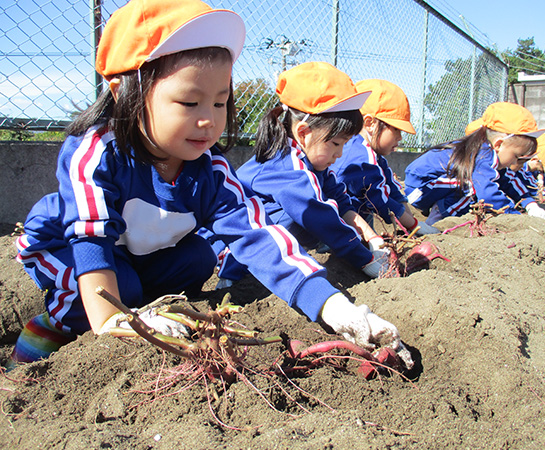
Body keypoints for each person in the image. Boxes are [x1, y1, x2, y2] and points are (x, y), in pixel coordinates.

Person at [11, 0, 406, 366]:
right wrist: (113, 322)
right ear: (123, 92)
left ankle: (137, 303)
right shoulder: (99, 152)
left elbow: (259, 235)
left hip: (135, 255)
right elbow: (91, 240)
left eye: (219, 103)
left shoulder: (210, 170)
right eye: (189, 103)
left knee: (199, 258)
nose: (209, 120)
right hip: (65, 248)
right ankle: (41, 336)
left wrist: (334, 306)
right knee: (121, 289)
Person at [211, 62, 391, 288]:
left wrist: (370, 235)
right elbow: (319, 215)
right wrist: (366, 260)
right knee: (303, 217)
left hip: (256, 233)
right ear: (303, 133)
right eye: (336, 143)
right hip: (225, 243)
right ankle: (233, 274)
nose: (339, 154)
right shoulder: (285, 163)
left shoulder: (309, 159)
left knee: (326, 209)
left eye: (344, 144)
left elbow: (340, 199)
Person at [403, 102, 545, 225]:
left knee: (480, 183)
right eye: (516, 156)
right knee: (474, 185)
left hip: (434, 186)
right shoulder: (483, 154)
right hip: (419, 189)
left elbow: (508, 178)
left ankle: (444, 207)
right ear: (499, 144)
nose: (515, 163)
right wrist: (513, 216)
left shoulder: (486, 152)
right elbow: (488, 193)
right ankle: (439, 217)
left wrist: (530, 204)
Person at [330, 79, 439, 237]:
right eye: (396, 129)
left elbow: (392, 190)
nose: (400, 137)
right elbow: (381, 201)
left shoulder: (374, 156)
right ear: (370, 124)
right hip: (334, 223)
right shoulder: (361, 157)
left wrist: (412, 225)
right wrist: (414, 225)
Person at [497, 133, 545, 220]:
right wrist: (513, 212)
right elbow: (490, 194)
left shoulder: (506, 170)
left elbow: (513, 183)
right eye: (516, 158)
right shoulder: (483, 166)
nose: (515, 163)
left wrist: (530, 204)